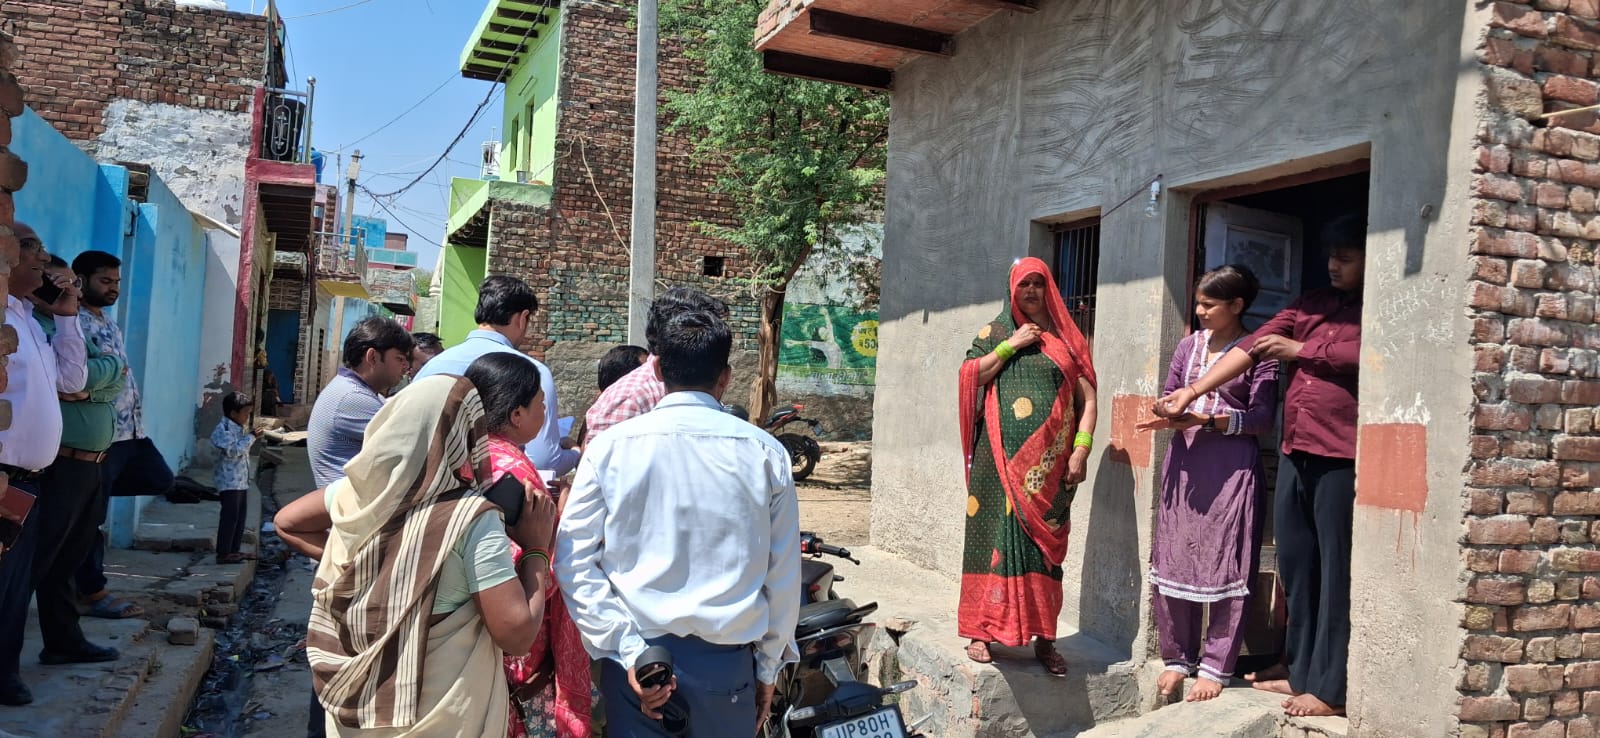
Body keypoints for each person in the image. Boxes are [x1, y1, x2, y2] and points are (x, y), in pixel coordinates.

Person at [1155, 214, 1366, 718]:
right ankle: (1298, 669)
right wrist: (1192, 391)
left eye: (1345, 258)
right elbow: (1251, 348)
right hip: (1297, 448)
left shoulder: (1374, 309)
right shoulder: (1310, 303)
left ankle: (1330, 689)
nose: (1333, 265)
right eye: (1331, 256)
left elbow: (1369, 352)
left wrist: (1302, 351)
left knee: (1333, 568)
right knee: (1296, 565)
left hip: (1341, 452)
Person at [556, 309, 800, 738]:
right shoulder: (765, 453)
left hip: (637, 668)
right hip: (726, 670)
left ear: (656, 369)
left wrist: (627, 648)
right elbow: (782, 574)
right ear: (725, 377)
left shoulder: (611, 448)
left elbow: (573, 560)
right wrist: (767, 667)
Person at [297, 375, 557, 737]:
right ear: (466, 436)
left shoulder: (357, 494)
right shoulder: (470, 520)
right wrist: (536, 549)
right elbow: (516, 635)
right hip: (440, 718)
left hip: (353, 720)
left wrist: (375, 568)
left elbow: (287, 523)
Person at [1136, 266, 1279, 702]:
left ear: (1237, 305)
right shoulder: (1188, 346)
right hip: (1185, 464)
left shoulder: (1261, 353)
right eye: (1198, 302)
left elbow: (1262, 420)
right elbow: (1171, 391)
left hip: (1231, 468)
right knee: (1175, 557)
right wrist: (1167, 410)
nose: (1199, 311)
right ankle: (1178, 658)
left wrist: (1211, 420)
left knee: (1227, 563)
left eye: (1209, 304)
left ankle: (1216, 665)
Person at [957, 256, 1098, 676]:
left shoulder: (1067, 338)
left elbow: (1089, 400)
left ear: (1049, 288)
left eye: (1038, 283)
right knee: (993, 543)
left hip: (1050, 471)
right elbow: (971, 376)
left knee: (1043, 553)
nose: (1032, 291)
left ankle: (1045, 638)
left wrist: (1081, 450)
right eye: (1024, 284)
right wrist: (1012, 345)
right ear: (1012, 290)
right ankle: (981, 632)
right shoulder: (995, 333)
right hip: (997, 464)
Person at [465, 354, 591, 738]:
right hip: (516, 650)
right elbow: (533, 573)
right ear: (517, 414)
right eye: (541, 404)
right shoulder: (516, 472)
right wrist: (561, 517)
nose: (546, 413)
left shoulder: (469, 454)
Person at [0, 224, 88, 705]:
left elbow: (73, 380)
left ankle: (5, 672)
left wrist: (68, 317)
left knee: (16, 589)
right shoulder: (3, 317)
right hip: (5, 477)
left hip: (31, 483)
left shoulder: (31, 321)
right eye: (33, 247)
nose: (44, 259)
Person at [26, 255, 127, 674]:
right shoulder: (38, 328)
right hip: (61, 463)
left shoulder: (73, 327)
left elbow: (116, 372)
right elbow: (74, 378)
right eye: (60, 284)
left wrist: (92, 390)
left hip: (92, 463)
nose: (69, 292)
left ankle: (64, 641)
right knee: (38, 561)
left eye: (72, 285)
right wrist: (94, 381)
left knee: (69, 559)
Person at [71, 249, 168, 621]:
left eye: (116, 282)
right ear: (81, 281)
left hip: (131, 432)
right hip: (102, 437)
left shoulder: (108, 321)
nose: (113, 288)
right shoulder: (74, 321)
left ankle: (88, 497)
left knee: (161, 479)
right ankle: (91, 592)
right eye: (105, 281)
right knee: (90, 520)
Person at [414, 277, 577, 478]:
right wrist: (576, 453)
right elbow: (544, 461)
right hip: (495, 492)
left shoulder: (432, 367)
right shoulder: (532, 373)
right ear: (523, 318)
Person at [581, 288, 728, 446]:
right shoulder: (630, 398)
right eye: (702, 326)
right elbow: (601, 458)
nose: (712, 335)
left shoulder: (697, 388)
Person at [306, 317, 414, 489]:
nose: (406, 366)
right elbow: (414, 445)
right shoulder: (353, 397)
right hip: (350, 503)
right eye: (400, 359)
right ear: (372, 357)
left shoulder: (350, 389)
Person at [211, 392, 262, 565]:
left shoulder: (237, 427)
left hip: (240, 481)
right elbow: (233, 451)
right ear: (233, 413)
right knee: (230, 517)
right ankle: (223, 552)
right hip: (229, 481)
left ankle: (234, 550)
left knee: (240, 517)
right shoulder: (223, 429)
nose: (247, 417)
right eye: (245, 413)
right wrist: (251, 437)